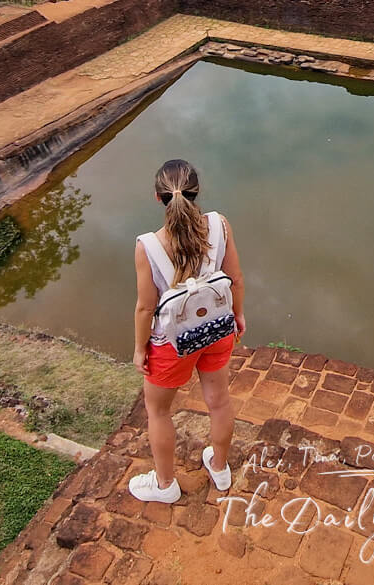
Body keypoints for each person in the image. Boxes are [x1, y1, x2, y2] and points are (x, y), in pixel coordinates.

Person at [129, 159, 245, 503]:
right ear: (197, 192)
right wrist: (238, 316)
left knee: (159, 411)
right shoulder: (219, 225)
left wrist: (140, 349)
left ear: (157, 197)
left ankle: (165, 486)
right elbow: (236, 279)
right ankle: (220, 469)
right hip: (217, 329)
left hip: (172, 344)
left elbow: (146, 308)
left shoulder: (148, 246)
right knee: (219, 401)